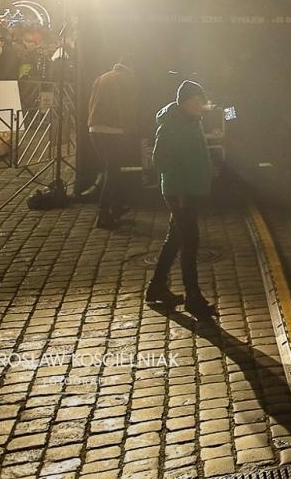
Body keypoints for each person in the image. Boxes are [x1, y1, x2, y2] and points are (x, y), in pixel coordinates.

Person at [147, 80, 216, 320]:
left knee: (175, 239)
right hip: (180, 192)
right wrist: (183, 174)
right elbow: (160, 161)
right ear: (184, 102)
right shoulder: (171, 126)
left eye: (202, 101)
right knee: (190, 242)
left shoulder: (191, 121)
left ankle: (156, 286)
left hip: (189, 190)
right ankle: (193, 297)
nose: (201, 105)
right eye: (197, 101)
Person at [86, 54, 143, 230]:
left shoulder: (102, 77)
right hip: (115, 130)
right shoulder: (127, 79)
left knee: (111, 169)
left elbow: (91, 103)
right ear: (131, 66)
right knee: (113, 172)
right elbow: (128, 107)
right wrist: (130, 130)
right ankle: (104, 214)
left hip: (95, 129)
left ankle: (115, 209)